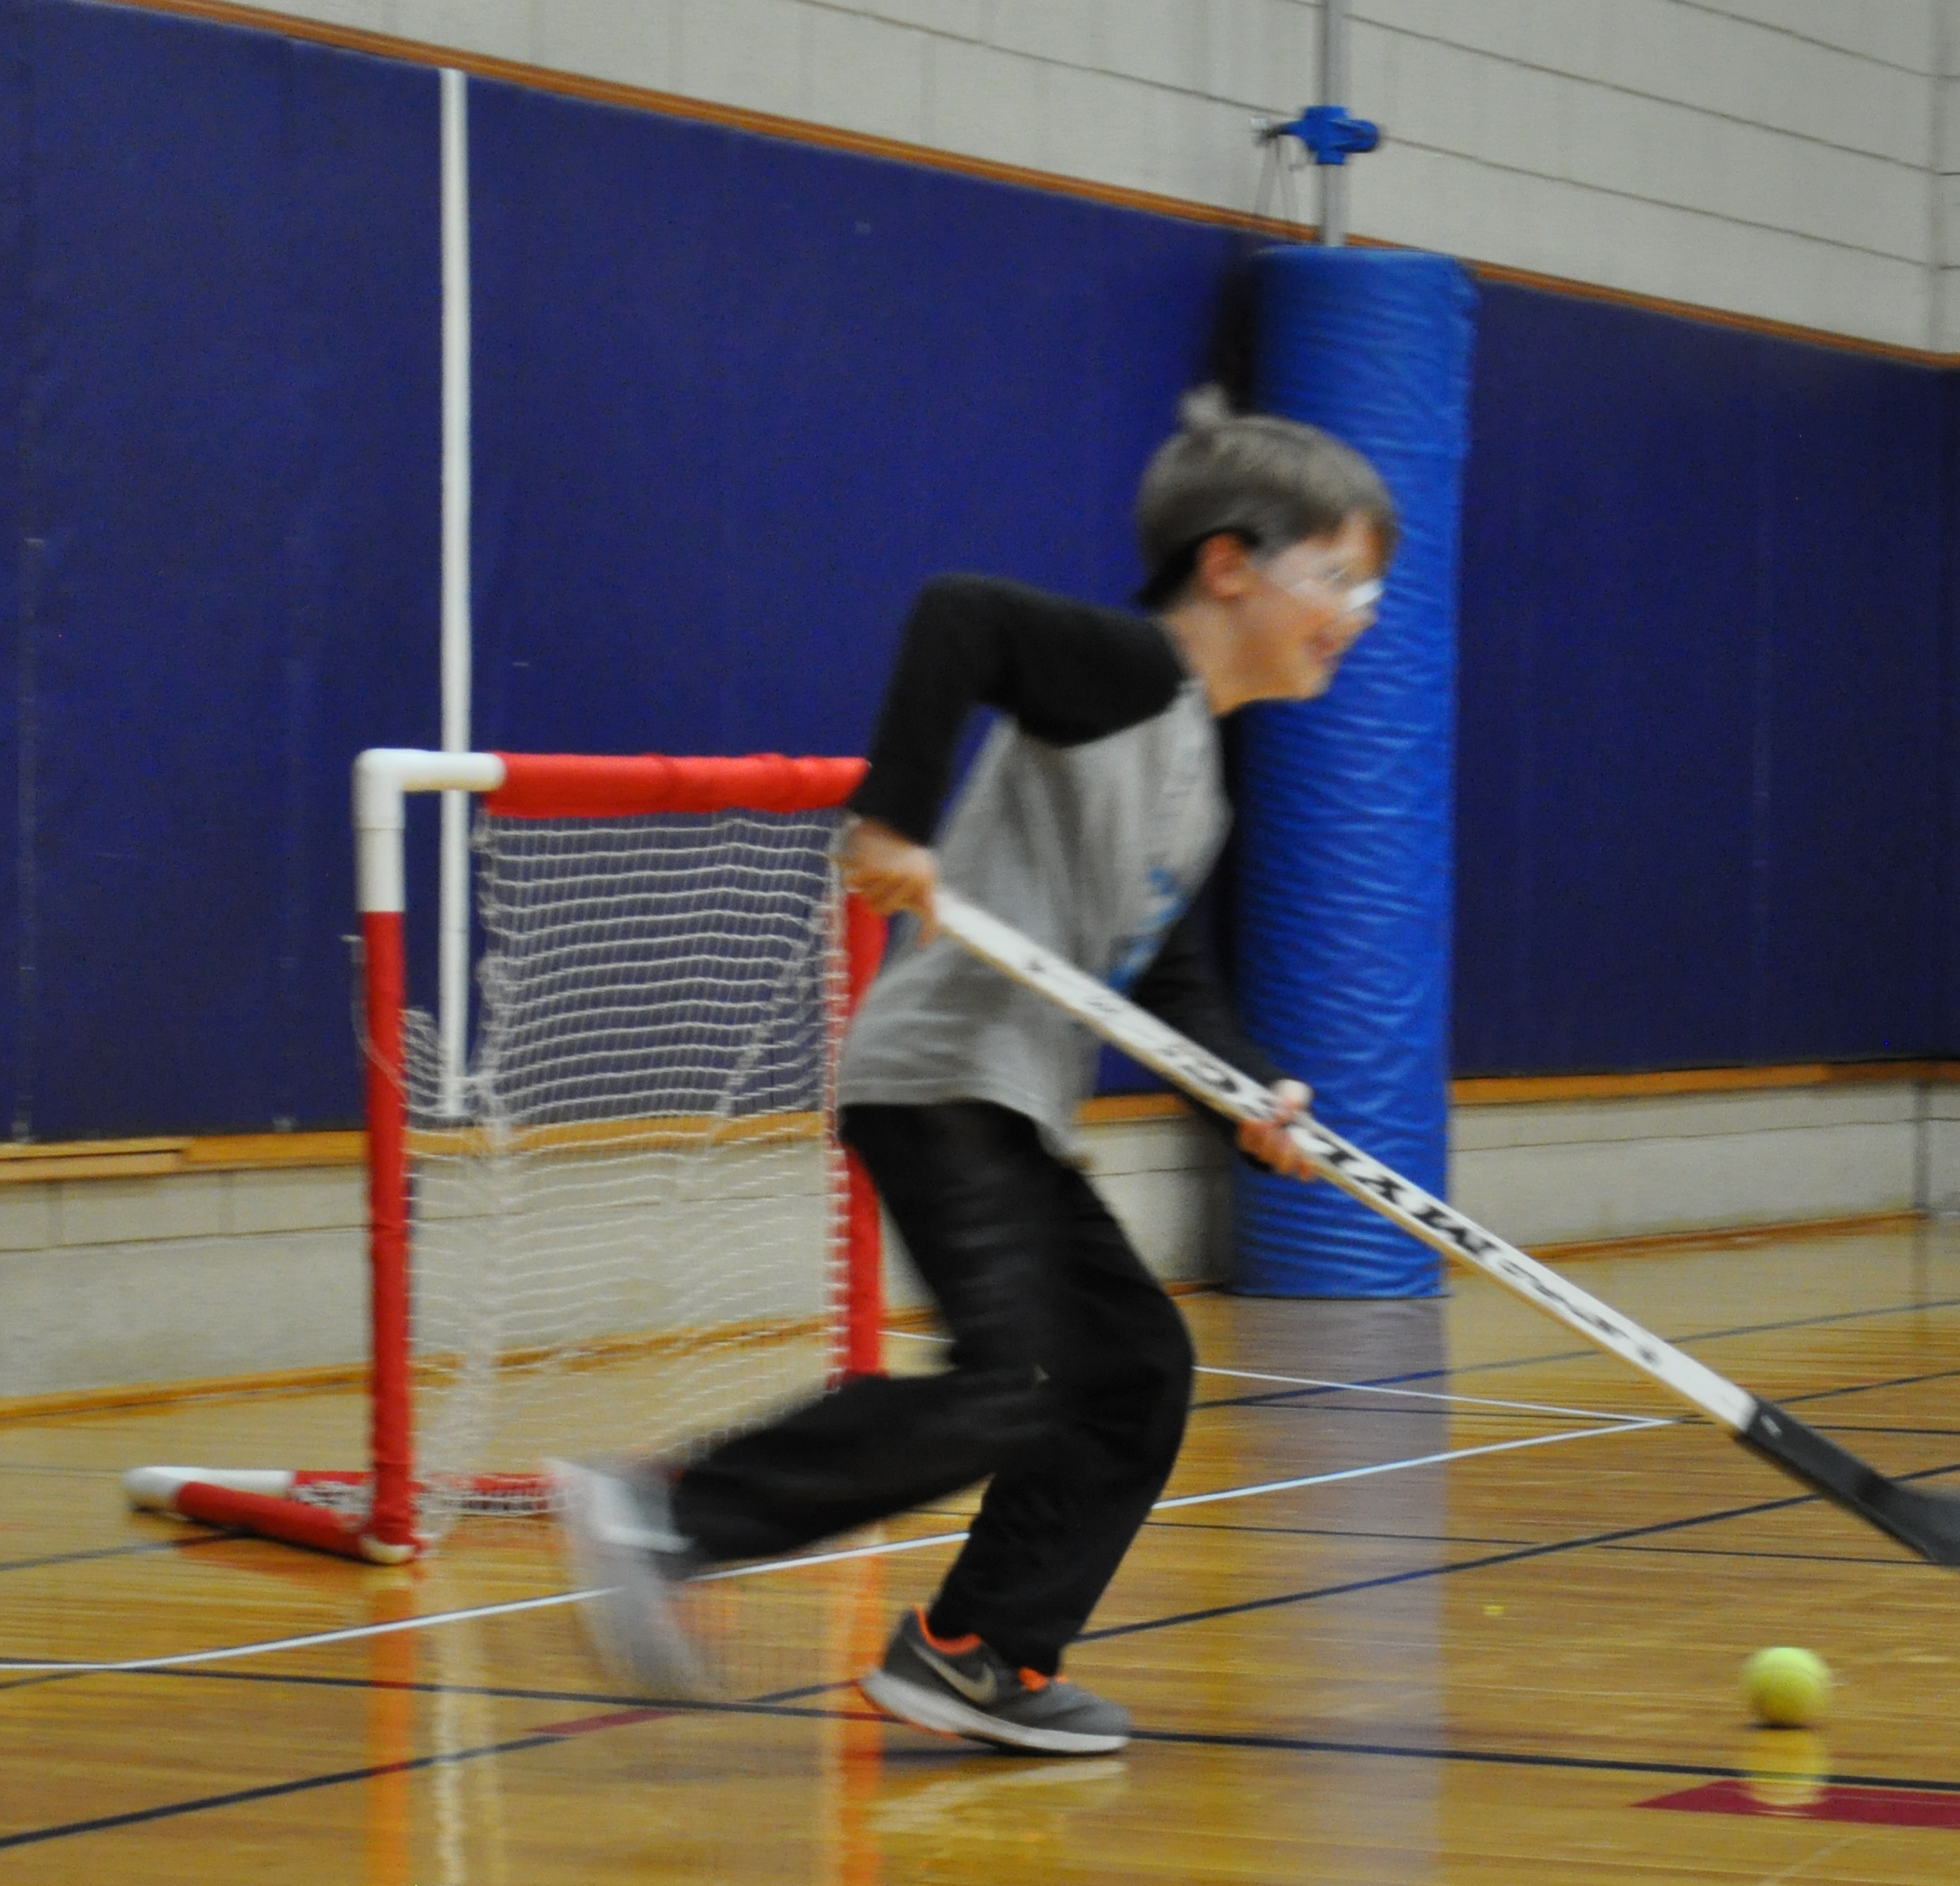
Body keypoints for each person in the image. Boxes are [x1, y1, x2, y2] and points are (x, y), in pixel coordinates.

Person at [549, 390, 1395, 1755]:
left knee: (1132, 1370)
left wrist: (1250, 1091)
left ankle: (978, 1650)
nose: (1359, 610)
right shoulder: (1128, 669)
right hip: (944, 1076)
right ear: (1230, 563)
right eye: (1339, 574)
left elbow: (1167, 983)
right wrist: (889, 816)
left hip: (1009, 1102)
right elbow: (962, 615)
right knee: (1015, 1380)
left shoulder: (1203, 777)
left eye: (1374, 588)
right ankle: (665, 1514)